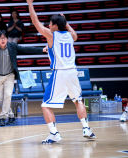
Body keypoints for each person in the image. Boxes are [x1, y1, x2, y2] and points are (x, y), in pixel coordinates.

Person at [26, 0, 96, 144]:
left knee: (45, 105)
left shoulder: (52, 35)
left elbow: (35, 21)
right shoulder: (70, 36)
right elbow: (75, 35)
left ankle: (54, 133)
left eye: (51, 23)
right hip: (72, 73)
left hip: (60, 73)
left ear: (55, 26)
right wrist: (66, 22)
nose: (49, 26)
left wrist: (30, 4)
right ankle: (86, 128)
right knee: (78, 100)